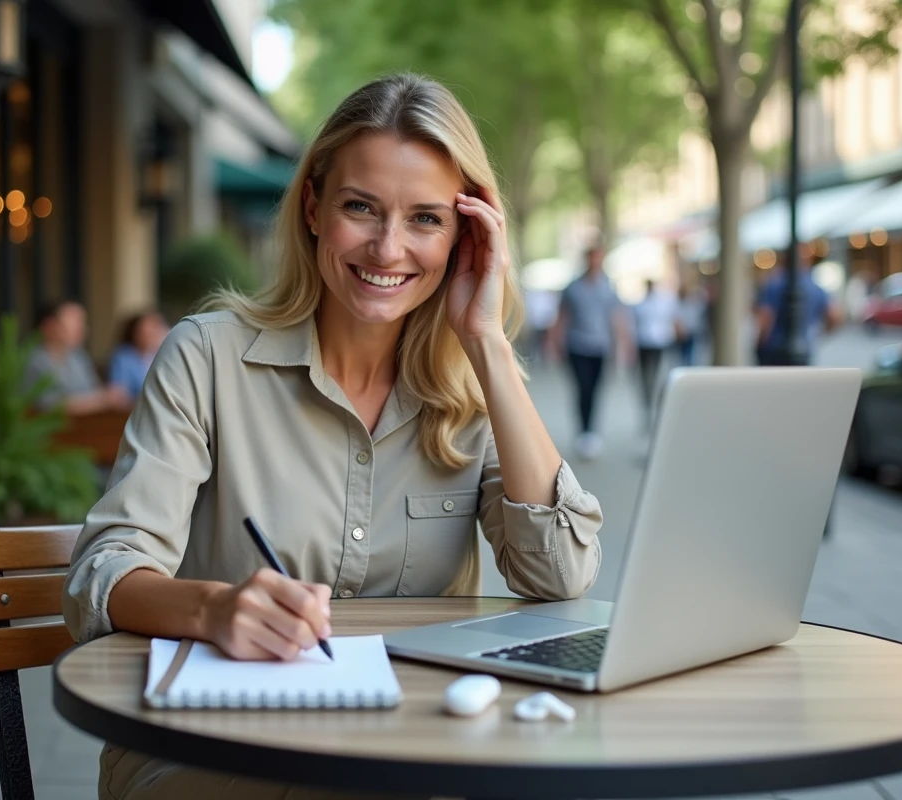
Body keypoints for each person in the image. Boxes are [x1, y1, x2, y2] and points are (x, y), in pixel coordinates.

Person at [63, 74, 604, 800]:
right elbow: (102, 573)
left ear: (467, 234)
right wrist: (213, 609)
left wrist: (487, 342)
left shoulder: (479, 388)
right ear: (314, 207)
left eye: (425, 219)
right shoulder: (208, 357)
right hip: (216, 744)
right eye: (361, 208)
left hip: (413, 750)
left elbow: (561, 574)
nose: (388, 248)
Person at [547, 246, 630, 460]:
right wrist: (554, 342)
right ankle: (584, 432)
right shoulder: (573, 287)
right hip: (576, 346)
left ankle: (592, 431)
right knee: (582, 388)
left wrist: (623, 345)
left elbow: (617, 317)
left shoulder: (608, 286)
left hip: (601, 347)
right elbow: (562, 316)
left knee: (595, 390)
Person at [24, 301, 130, 414]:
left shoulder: (78, 356)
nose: (82, 329)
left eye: (82, 322)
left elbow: (94, 390)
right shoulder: (33, 360)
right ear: (49, 326)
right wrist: (102, 399)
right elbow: (49, 405)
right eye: (75, 322)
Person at [754, 253, 841, 366]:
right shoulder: (815, 287)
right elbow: (835, 317)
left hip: (773, 350)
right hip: (805, 349)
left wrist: (759, 345)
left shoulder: (774, 284)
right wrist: (817, 335)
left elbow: (765, 318)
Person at [631, 279, 679, 428]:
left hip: (658, 343)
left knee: (655, 375)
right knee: (646, 377)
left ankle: (654, 406)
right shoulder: (640, 305)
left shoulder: (661, 303)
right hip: (644, 343)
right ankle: (648, 405)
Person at [108, 310, 171, 399]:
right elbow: (119, 392)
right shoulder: (124, 356)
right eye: (146, 332)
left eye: (155, 330)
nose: (152, 335)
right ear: (135, 333)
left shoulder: (164, 355)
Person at [675, 280, 708, 366]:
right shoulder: (678, 305)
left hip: (690, 332)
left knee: (690, 352)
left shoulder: (691, 304)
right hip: (683, 333)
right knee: (683, 353)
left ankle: (689, 365)